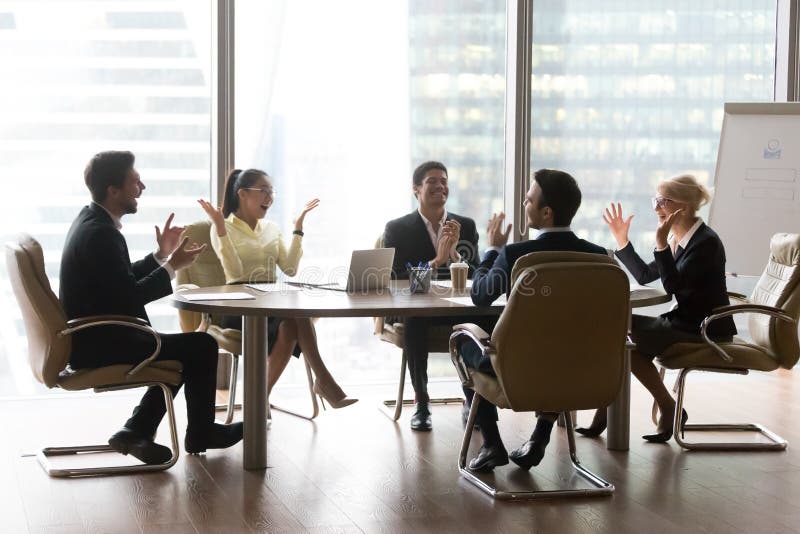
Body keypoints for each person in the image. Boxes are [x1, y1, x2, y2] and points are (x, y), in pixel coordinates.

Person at [60, 150, 243, 465]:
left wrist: (160, 256)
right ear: (113, 190)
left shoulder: (91, 222)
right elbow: (130, 297)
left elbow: (117, 281)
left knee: (186, 349)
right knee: (200, 345)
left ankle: (137, 430)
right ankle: (198, 433)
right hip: (102, 341)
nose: (141, 187)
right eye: (134, 181)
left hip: (95, 336)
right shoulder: (101, 234)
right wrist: (172, 267)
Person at [459, 169, 608, 471]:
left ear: (547, 211)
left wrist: (492, 250)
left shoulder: (517, 255)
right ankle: (539, 438)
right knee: (560, 352)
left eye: (528, 200)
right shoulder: (600, 257)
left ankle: (491, 444)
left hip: (520, 369)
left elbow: (480, 295)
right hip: (583, 366)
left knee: (464, 340)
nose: (525, 205)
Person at [577, 174, 735, 442]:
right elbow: (644, 274)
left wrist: (661, 242)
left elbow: (672, 285)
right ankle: (657, 409)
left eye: (662, 201)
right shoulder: (680, 238)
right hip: (684, 321)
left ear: (682, 205)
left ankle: (666, 408)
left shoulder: (705, 242)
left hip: (703, 328)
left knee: (624, 338)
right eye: (655, 201)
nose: (656, 208)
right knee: (618, 330)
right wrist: (622, 240)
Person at [197, 168, 357, 408]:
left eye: (272, 192)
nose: (269, 198)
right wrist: (220, 227)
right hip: (238, 304)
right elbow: (237, 272)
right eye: (264, 191)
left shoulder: (271, 228)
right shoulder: (223, 227)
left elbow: (290, 268)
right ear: (242, 194)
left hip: (272, 302)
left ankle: (259, 400)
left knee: (291, 324)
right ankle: (323, 380)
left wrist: (298, 228)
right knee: (296, 312)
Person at [383, 161, 480, 431]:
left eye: (444, 181)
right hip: (414, 307)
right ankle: (422, 403)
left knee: (482, 320)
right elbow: (395, 277)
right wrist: (436, 261)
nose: (440, 186)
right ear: (416, 189)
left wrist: (455, 256)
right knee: (414, 319)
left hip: (455, 306)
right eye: (432, 181)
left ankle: (473, 400)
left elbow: (479, 275)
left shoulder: (466, 226)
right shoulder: (397, 228)